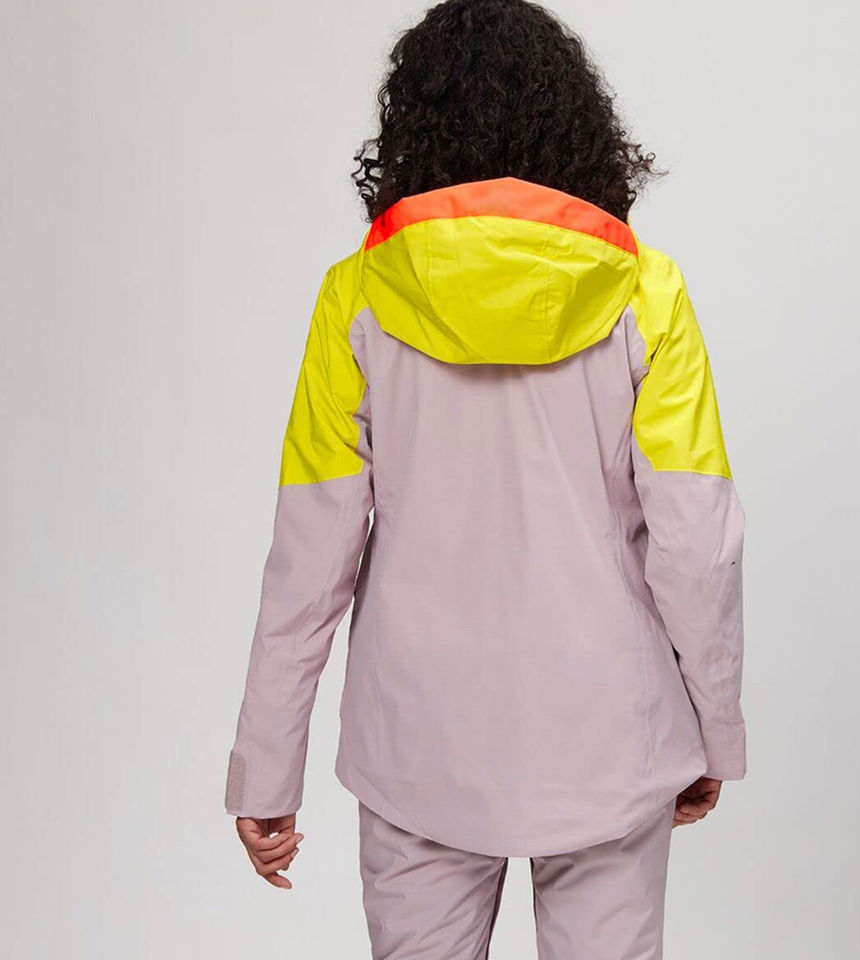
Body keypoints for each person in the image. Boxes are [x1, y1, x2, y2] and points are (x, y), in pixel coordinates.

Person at [225, 0, 745, 957]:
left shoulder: (356, 297)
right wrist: (712, 729)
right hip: (610, 737)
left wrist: (266, 767)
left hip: (415, 744)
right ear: (577, 126)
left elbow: (309, 558)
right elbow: (696, 543)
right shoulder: (648, 292)